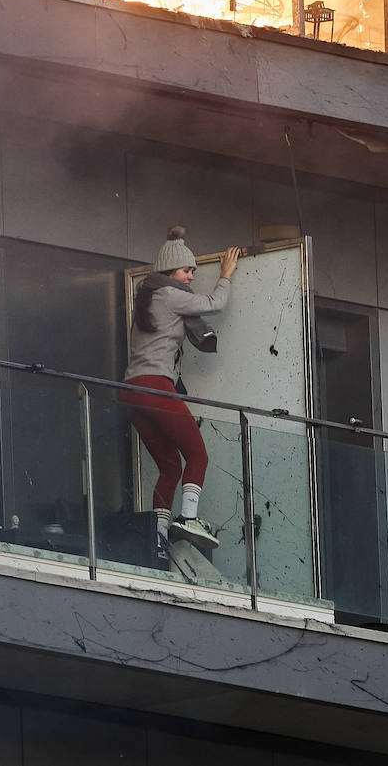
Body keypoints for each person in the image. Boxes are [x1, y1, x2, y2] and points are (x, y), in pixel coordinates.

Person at [121, 226, 240, 561]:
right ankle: (188, 518)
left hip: (130, 392)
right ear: (170, 272)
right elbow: (214, 303)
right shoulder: (170, 295)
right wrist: (226, 274)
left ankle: (158, 541)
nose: (190, 277)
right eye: (188, 271)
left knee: (171, 466)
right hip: (156, 388)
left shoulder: (146, 297)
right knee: (198, 456)